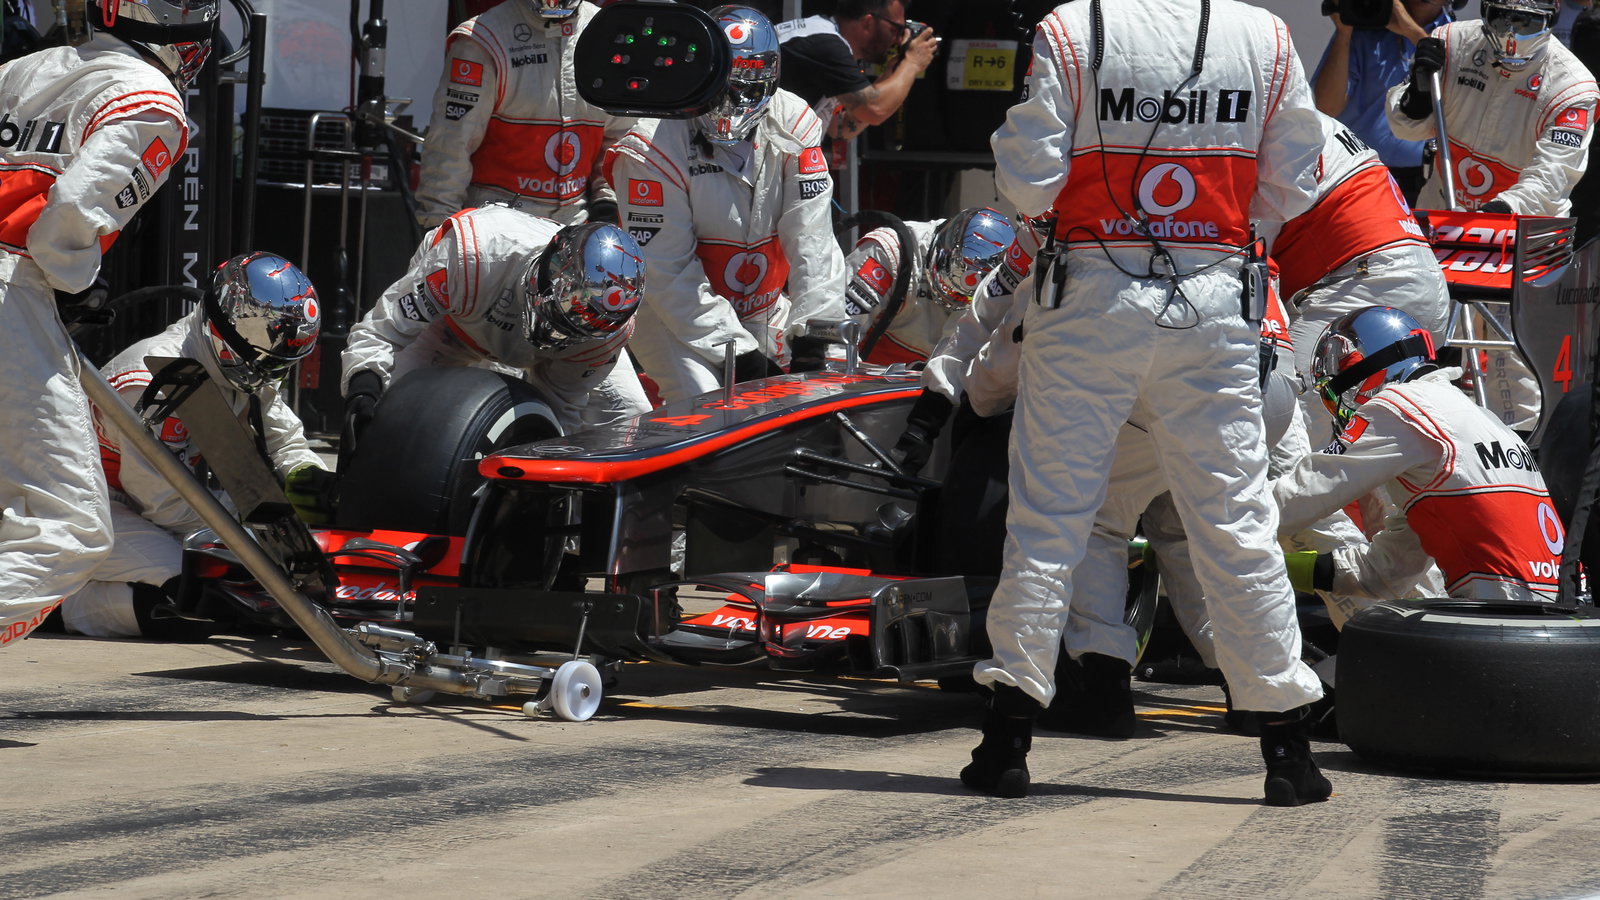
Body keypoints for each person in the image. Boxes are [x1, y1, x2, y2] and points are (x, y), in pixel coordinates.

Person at [973, 0, 1330, 805]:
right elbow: (1295, 182)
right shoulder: (1265, 34)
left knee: (1049, 522)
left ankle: (1006, 740)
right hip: (1214, 300)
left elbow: (1027, 181)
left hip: (1088, 295)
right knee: (1236, 523)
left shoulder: (1073, 26)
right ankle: (1288, 753)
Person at [0, 0, 213, 648]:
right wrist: (76, 285)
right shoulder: (152, 100)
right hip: (14, 285)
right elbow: (68, 221)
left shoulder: (22, 69)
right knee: (70, 525)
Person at [57, 253, 328, 640]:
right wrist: (260, 542)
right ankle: (51, 609)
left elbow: (282, 438)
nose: (271, 376)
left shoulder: (251, 358)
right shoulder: (153, 376)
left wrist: (307, 477)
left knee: (247, 579)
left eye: (280, 366)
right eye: (267, 365)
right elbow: (165, 504)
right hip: (85, 503)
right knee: (202, 594)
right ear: (227, 332)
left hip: (142, 505)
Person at [605, 6, 847, 404]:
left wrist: (813, 338)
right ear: (700, 74)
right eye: (724, 85)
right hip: (670, 313)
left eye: (750, 87)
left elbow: (815, 242)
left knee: (826, 388)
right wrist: (744, 355)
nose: (736, 101)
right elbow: (668, 273)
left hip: (764, 307)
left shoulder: (797, 123)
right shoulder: (648, 149)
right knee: (708, 402)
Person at [1275, 306, 1565, 603]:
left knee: (1366, 639)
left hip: (1500, 618)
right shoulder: (1481, 419)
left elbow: (1307, 491)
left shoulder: (1402, 406)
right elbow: (1386, 572)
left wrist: (1229, 525)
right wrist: (1282, 568)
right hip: (1556, 614)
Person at [341, 206, 647, 449]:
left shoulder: (608, 333)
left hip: (570, 350)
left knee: (632, 421)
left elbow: (562, 405)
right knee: (383, 417)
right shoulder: (470, 256)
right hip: (452, 324)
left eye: (577, 326)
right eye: (565, 314)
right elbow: (383, 328)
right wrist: (363, 385)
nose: (556, 335)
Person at [414, 0, 633, 229]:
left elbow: (622, 137)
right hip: (494, 229)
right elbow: (450, 148)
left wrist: (608, 203)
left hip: (574, 228)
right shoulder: (483, 40)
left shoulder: (609, 33)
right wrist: (438, 226)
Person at [1386, 0, 1600, 216]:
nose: (1511, 34)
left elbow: (1554, 176)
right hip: (1441, 211)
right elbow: (1404, 130)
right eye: (1501, 18)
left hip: (1522, 225)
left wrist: (1496, 213)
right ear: (1485, 11)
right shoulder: (1451, 41)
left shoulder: (1573, 88)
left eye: (1526, 22)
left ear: (1551, 19)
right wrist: (1418, 95)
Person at [1313, 0, 1453, 202]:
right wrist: (1344, 33)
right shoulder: (1360, 26)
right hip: (1358, 173)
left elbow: (1459, 87)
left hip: (1424, 180)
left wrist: (1412, 33)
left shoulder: (1457, 35)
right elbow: (1326, 108)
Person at [843, 207, 1016, 366]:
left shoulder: (1009, 281)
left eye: (964, 296)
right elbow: (838, 339)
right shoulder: (889, 253)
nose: (955, 300)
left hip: (927, 391)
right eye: (952, 288)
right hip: (867, 388)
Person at [775, 0, 938, 140]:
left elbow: (840, 128)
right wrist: (911, 64)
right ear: (868, 23)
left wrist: (894, 70)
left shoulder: (822, 36)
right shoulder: (826, 45)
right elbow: (874, 109)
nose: (897, 39)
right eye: (895, 30)